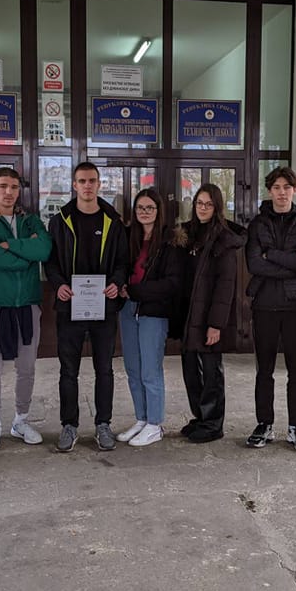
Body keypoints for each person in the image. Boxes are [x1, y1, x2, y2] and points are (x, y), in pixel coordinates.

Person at [45, 162, 128, 452]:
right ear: (74, 185)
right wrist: (58, 285)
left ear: (99, 184)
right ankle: (69, 425)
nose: (88, 186)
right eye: (82, 181)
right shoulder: (60, 221)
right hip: (70, 307)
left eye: (92, 180)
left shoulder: (113, 221)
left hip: (104, 307)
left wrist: (117, 282)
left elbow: (122, 262)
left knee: (104, 369)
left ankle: (103, 424)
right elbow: (50, 262)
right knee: (69, 370)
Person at [0, 167, 51, 451]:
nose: (9, 192)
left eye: (14, 187)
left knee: (26, 367)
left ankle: (21, 420)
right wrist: (25, 257)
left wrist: (10, 245)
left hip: (27, 303)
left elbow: (44, 250)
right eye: (3, 186)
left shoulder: (30, 221)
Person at [244, 166, 296, 453]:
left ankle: (295, 427)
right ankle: (264, 424)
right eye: (276, 187)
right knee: (263, 370)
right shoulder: (257, 224)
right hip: (264, 305)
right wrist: (291, 262)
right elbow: (254, 264)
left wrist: (272, 255)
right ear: (269, 191)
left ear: (295, 190)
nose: (281, 192)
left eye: (286, 187)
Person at [172, 183, 246, 443]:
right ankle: (200, 417)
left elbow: (226, 286)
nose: (202, 208)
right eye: (199, 203)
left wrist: (216, 324)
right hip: (189, 314)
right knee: (191, 370)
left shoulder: (223, 239)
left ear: (217, 207)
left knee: (211, 372)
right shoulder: (187, 233)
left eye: (208, 204)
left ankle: (213, 423)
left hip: (209, 316)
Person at [117, 188, 180, 447]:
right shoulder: (128, 237)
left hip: (153, 311)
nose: (144, 212)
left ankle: (155, 423)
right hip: (127, 309)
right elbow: (120, 267)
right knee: (132, 368)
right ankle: (141, 418)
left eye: (150, 208)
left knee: (150, 370)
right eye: (140, 208)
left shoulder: (170, 242)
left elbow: (171, 283)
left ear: (158, 211)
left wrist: (135, 290)